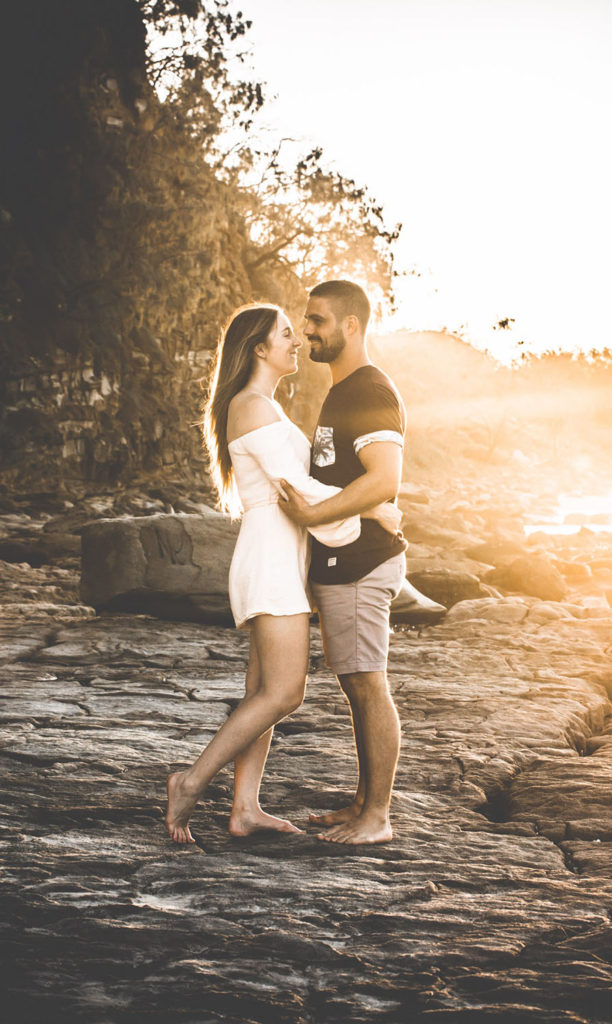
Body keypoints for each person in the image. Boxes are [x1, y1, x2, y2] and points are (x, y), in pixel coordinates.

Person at [165, 303, 400, 843]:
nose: (298, 342)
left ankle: (244, 808)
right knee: (284, 693)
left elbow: (303, 487)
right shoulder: (250, 407)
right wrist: (371, 508)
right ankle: (191, 782)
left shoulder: (261, 405)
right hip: (271, 557)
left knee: (259, 689)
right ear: (259, 349)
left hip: (280, 554)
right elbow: (300, 491)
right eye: (287, 334)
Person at [278, 280, 407, 845]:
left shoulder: (369, 390)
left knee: (367, 683)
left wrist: (312, 515)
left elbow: (385, 477)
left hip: (360, 564)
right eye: (307, 321)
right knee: (356, 684)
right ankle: (361, 801)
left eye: (318, 320)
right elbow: (360, 482)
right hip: (344, 560)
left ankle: (377, 816)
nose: (308, 330)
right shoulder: (343, 391)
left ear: (351, 325)